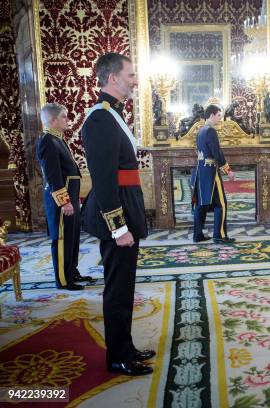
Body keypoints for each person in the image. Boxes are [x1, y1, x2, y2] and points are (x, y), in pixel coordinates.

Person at [81, 52, 154, 376]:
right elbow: (104, 179)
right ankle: (118, 357)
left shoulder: (112, 115)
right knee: (118, 287)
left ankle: (125, 347)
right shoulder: (99, 117)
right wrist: (117, 227)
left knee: (126, 285)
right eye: (130, 75)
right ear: (112, 78)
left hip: (127, 205)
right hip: (117, 212)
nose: (135, 81)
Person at [36, 103, 93, 290]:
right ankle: (63, 279)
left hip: (70, 199)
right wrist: (64, 201)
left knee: (72, 237)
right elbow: (53, 176)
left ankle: (71, 272)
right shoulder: (47, 141)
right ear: (52, 120)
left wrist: (74, 198)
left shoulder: (58, 140)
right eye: (64, 117)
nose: (67, 120)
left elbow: (68, 172)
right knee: (61, 239)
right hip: (61, 202)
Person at [191, 104, 236, 243]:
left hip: (200, 171)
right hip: (211, 172)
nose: (219, 119)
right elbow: (217, 153)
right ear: (211, 115)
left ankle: (197, 235)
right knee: (220, 204)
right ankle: (219, 235)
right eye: (218, 116)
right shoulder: (210, 131)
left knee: (201, 204)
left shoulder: (200, 131)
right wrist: (228, 170)